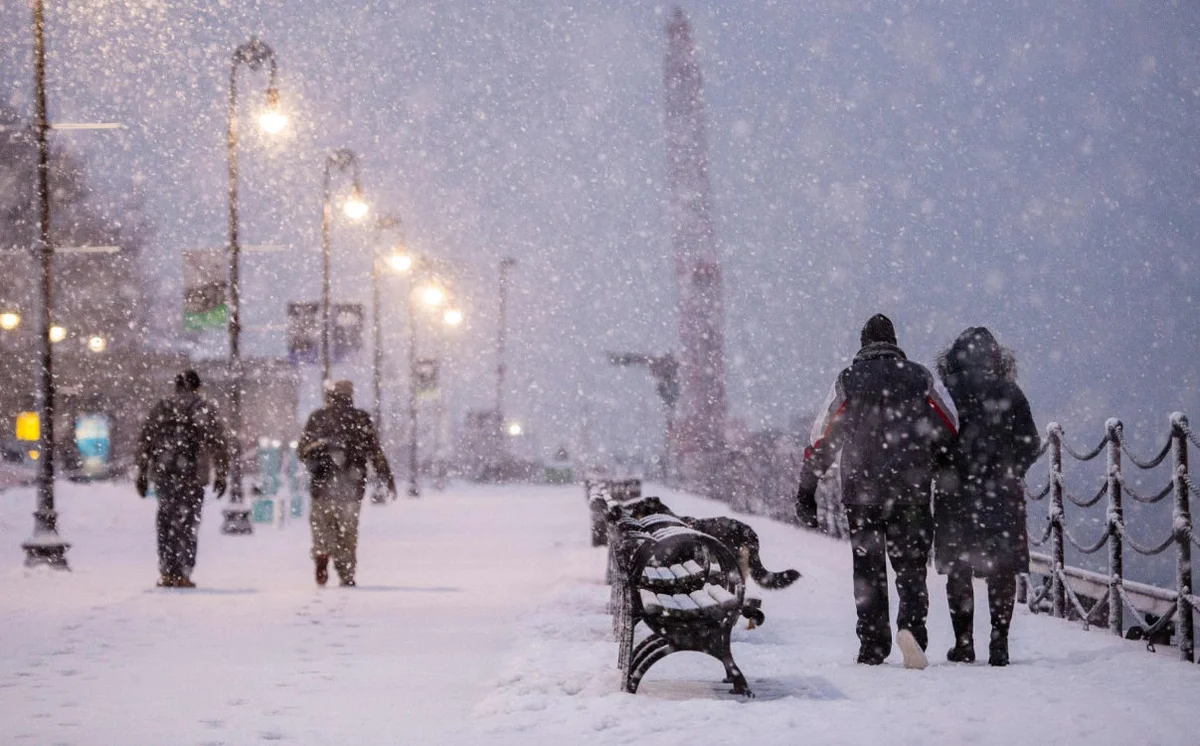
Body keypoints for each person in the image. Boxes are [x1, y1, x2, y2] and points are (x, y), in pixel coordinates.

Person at [795, 314, 958, 668]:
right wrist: (939, 462)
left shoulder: (849, 381)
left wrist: (807, 489)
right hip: (911, 491)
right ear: (895, 341)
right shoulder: (920, 377)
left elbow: (823, 436)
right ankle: (911, 628)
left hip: (862, 492)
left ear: (863, 344)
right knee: (911, 565)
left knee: (868, 569)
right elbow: (949, 423)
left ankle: (873, 642)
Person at [933, 327, 1040, 666]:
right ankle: (1000, 641)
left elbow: (933, 440)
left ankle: (964, 644)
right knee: (1002, 569)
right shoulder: (1011, 392)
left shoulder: (945, 393)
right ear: (997, 357)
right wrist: (1011, 469)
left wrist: (945, 468)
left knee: (959, 569)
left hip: (956, 493)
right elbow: (1031, 443)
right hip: (1001, 494)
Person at [135, 369, 230, 588]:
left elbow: (145, 440)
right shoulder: (203, 408)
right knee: (188, 523)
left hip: (164, 472)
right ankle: (184, 572)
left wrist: (141, 472)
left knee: (166, 520)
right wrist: (221, 474)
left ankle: (168, 571)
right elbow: (218, 443)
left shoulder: (162, 407)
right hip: (193, 474)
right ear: (197, 386)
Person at [298, 380, 396, 587]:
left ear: (329, 395)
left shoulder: (318, 418)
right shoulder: (361, 419)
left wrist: (318, 449)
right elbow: (375, 453)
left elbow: (302, 451)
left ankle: (322, 554)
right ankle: (346, 573)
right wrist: (387, 478)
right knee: (348, 532)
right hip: (352, 487)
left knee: (322, 526)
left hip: (321, 486)